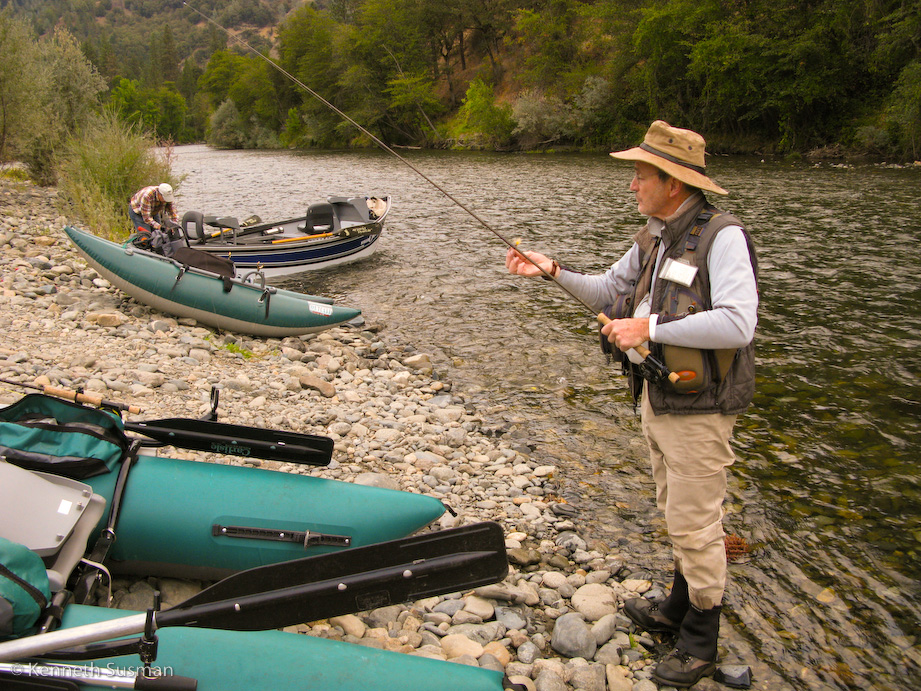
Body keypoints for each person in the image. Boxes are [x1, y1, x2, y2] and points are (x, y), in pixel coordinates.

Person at [506, 120, 758, 688]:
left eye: (640, 174)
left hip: (703, 407)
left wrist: (650, 324)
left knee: (696, 524)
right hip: (660, 397)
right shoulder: (654, 235)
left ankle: (701, 645)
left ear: (672, 182)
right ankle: (676, 608)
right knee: (677, 511)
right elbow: (607, 292)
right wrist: (552, 271)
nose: (632, 184)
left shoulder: (723, 236)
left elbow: (741, 323)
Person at [128, 183, 180, 253]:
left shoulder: (168, 197)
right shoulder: (147, 196)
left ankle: (158, 251)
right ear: (159, 194)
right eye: (164, 199)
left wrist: (173, 226)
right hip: (138, 211)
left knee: (158, 234)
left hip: (153, 210)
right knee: (147, 237)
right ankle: (144, 252)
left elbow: (173, 213)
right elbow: (147, 218)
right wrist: (160, 227)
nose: (165, 201)